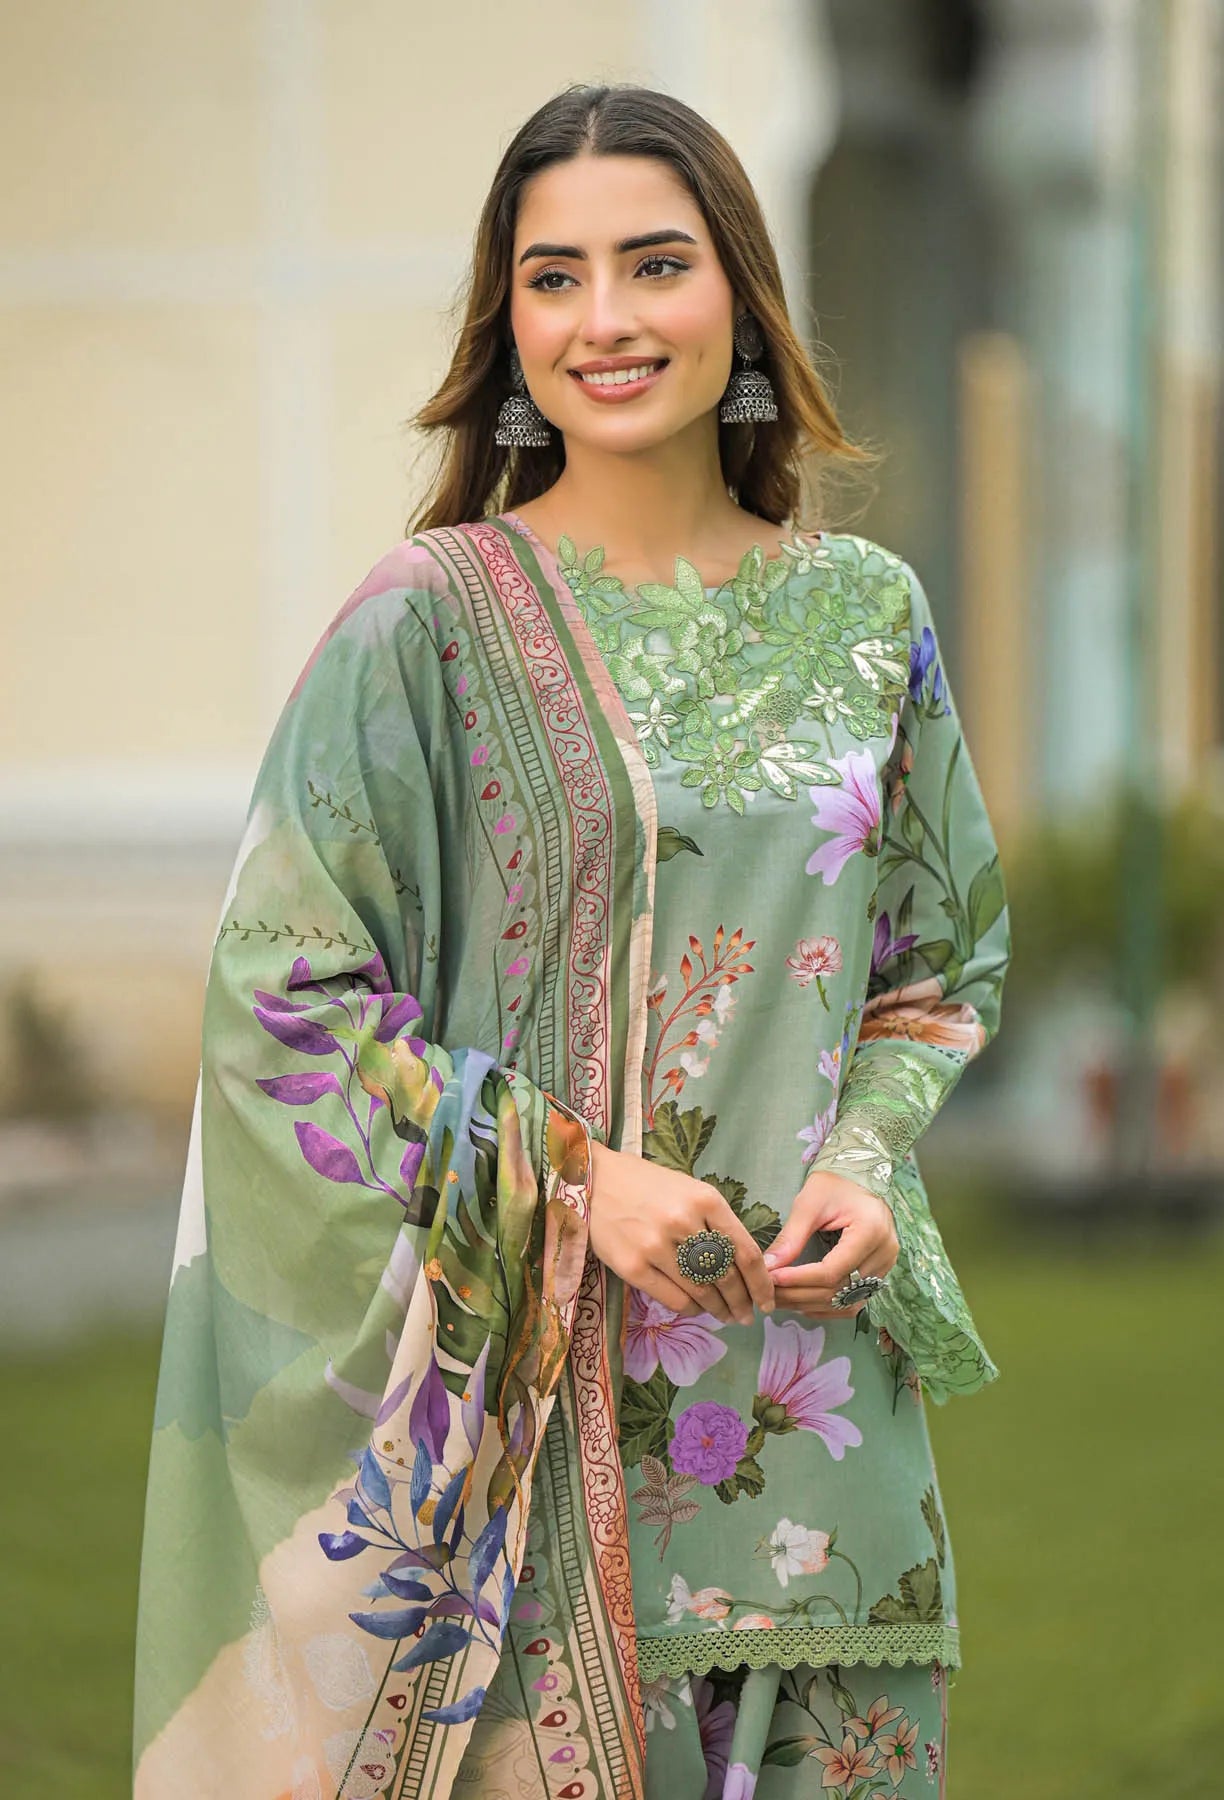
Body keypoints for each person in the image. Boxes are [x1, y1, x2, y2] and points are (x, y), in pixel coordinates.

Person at [134, 82, 1010, 1800]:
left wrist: (864, 1156)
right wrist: (583, 1183)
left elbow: (936, 959)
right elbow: (284, 1001)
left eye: (654, 265)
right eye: (554, 277)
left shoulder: (865, 615)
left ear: (743, 302)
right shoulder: (428, 626)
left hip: (819, 1423)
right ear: (507, 324)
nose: (604, 320)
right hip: (525, 1441)